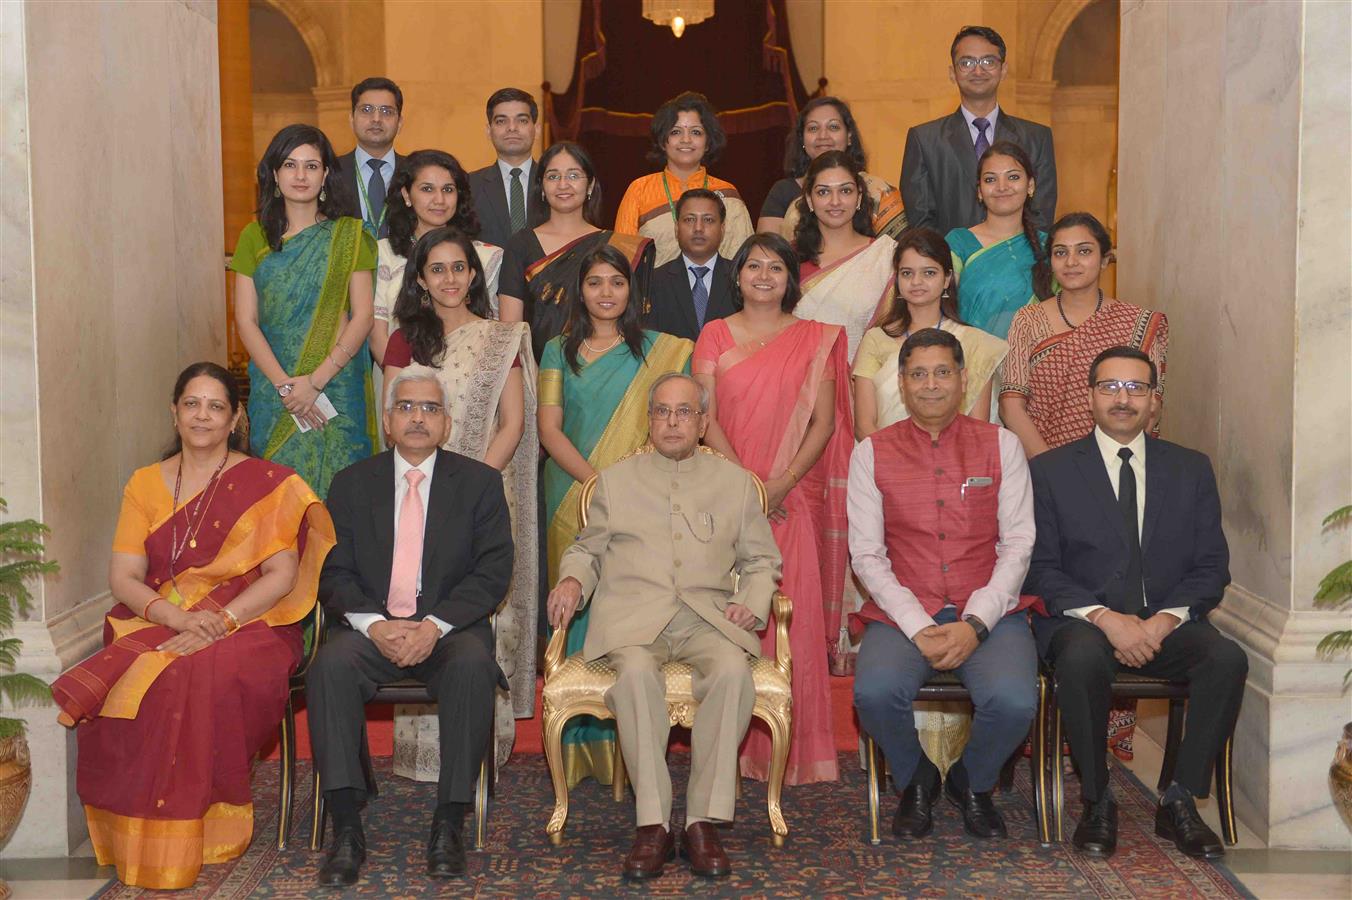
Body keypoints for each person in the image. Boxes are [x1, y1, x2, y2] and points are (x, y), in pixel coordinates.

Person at [52, 363, 334, 890]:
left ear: (235, 419)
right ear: (174, 412)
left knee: (194, 671)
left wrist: (220, 621)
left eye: (216, 406)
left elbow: (281, 575)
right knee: (145, 673)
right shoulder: (144, 483)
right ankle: (137, 836)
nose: (202, 416)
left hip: (252, 621)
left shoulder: (269, 484)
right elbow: (125, 576)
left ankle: (205, 828)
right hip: (160, 615)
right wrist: (178, 617)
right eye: (191, 404)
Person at [547, 373, 782, 880]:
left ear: (702, 423)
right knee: (633, 677)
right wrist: (571, 581)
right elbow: (588, 550)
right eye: (661, 412)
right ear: (649, 420)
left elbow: (763, 561)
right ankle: (652, 823)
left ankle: (702, 821)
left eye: (683, 413)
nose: (672, 422)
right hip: (635, 616)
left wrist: (752, 601)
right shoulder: (615, 479)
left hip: (708, 618)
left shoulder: (737, 484)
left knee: (731, 672)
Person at [1025, 347, 1246, 861]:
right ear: (1089, 397)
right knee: (1079, 659)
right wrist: (1106, 619)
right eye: (1110, 387)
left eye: (1136, 389)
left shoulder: (1191, 468)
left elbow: (1212, 565)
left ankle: (1179, 798)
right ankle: (1097, 798)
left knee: (1226, 659)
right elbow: (1039, 567)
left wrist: (1164, 621)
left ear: (1154, 401)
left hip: (1164, 622)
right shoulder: (1051, 470)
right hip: (1082, 622)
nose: (1123, 400)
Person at [307, 367, 513, 885]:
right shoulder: (352, 483)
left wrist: (434, 626)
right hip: (372, 628)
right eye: (406, 407)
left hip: (448, 631)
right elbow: (332, 571)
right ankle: (347, 827)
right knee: (329, 666)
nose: (417, 418)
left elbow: (492, 572)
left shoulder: (480, 484)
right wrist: (375, 625)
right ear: (387, 420)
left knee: (472, 665)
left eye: (430, 409)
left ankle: (449, 821)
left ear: (446, 424)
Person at [849, 329, 1038, 840]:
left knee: (1015, 700)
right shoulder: (871, 453)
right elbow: (866, 555)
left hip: (989, 610)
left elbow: (1018, 543)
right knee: (874, 692)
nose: (930, 385)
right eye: (917, 374)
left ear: (963, 380)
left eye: (941, 372)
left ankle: (971, 782)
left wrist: (976, 623)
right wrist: (915, 625)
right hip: (904, 608)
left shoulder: (1002, 445)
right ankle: (916, 778)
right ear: (903, 385)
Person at [1001, 212, 1169, 764]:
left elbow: (1151, 403)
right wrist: (1057, 470)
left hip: (1122, 475)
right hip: (1046, 472)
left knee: (1118, 583)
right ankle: (1046, 716)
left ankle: (1108, 726)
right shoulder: (1028, 322)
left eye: (1084, 251)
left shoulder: (1141, 323)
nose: (1071, 262)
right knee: (1052, 586)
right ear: (1048, 262)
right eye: (1061, 252)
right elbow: (1012, 399)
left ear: (1104, 257)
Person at [694, 233, 853, 783]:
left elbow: (824, 422)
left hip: (791, 499)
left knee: (791, 620)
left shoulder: (816, 339)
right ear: (736, 276)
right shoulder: (714, 333)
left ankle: (789, 752)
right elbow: (703, 416)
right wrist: (749, 489)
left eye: (776, 268)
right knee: (727, 620)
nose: (764, 276)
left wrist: (781, 484)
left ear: (792, 280)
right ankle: (727, 752)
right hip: (726, 498)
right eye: (753, 266)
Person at [538, 244, 695, 786]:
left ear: (633, 291)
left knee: (630, 610)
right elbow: (549, 428)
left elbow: (677, 425)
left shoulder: (664, 350)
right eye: (595, 283)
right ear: (579, 291)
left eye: (617, 282)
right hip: (572, 496)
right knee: (577, 608)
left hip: (643, 498)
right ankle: (582, 756)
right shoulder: (558, 350)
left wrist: (625, 488)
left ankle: (633, 754)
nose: (606, 293)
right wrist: (596, 483)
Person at [382, 227, 536, 769]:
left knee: (482, 609)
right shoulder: (406, 341)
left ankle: (479, 750)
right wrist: (437, 494)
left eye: (459, 268)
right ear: (420, 280)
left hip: (485, 495)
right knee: (422, 601)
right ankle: (426, 755)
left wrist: (467, 490)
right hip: (417, 497)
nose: (450, 279)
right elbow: (396, 422)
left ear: (474, 275)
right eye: (437, 269)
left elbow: (512, 424)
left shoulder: (503, 338)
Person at [230, 124, 378, 498]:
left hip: (335, 389)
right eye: (290, 164)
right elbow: (245, 321)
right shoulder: (253, 237)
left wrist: (315, 382)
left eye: (311, 166)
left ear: (326, 174)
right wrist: (285, 386)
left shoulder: (349, 237)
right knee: (278, 499)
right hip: (274, 391)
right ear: (274, 174)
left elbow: (362, 316)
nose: (300, 175)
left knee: (342, 498)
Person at [499, 141, 656, 361]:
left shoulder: (613, 246)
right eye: (553, 176)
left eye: (573, 176)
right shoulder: (520, 245)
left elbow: (631, 323)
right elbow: (510, 331)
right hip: (537, 373)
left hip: (603, 369)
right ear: (541, 187)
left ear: (590, 185)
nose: (563, 184)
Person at [900, 25, 1056, 237]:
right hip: (950, 264)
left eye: (988, 61)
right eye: (967, 63)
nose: (978, 70)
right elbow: (921, 220)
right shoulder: (924, 140)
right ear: (952, 73)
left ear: (1003, 70)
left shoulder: (1037, 138)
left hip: (1019, 265)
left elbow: (1041, 217)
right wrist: (953, 261)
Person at [853, 227, 1008, 437]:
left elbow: (976, 430)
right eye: (907, 273)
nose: (916, 282)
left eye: (929, 273)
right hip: (889, 462)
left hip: (954, 464)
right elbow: (864, 426)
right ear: (897, 279)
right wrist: (898, 464)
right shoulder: (876, 339)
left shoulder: (975, 343)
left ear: (946, 279)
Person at [370, 149, 504, 367]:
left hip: (468, 381)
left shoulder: (487, 257)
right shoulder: (382, 254)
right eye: (427, 189)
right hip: (399, 381)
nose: (439, 200)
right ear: (406, 195)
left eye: (448, 189)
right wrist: (413, 387)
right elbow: (377, 336)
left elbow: (491, 334)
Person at [614, 91, 754, 266]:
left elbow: (745, 260)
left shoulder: (728, 194)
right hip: (655, 292)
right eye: (675, 132)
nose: (686, 139)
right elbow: (622, 261)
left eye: (696, 132)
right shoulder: (639, 190)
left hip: (721, 292)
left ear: (708, 142)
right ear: (662, 141)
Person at [792, 150, 898, 360]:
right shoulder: (788, 258)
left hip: (865, 382)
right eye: (823, 192)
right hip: (800, 383)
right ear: (809, 200)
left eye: (845, 191)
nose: (835, 201)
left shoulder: (885, 256)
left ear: (859, 197)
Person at [758, 96, 907, 240]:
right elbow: (768, 255)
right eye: (813, 128)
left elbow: (902, 252)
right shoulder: (783, 192)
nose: (823, 135)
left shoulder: (876, 190)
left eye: (833, 127)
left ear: (849, 136)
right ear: (802, 138)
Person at [945, 141, 1046, 338]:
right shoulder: (958, 243)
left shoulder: (1049, 246)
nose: (1002, 187)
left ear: (1030, 186)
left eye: (1013, 177)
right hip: (972, 359)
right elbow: (941, 308)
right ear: (979, 191)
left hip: (1038, 361)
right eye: (990, 180)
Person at [644, 188, 737, 342]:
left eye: (708, 220)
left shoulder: (740, 278)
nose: (698, 228)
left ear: (722, 229)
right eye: (689, 219)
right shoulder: (653, 282)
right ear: (676, 228)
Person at [468, 87, 545, 248]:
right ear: (489, 131)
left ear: (536, 130)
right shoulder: (469, 185)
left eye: (522, 120)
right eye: (501, 121)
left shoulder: (553, 183)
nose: (512, 128)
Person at [334, 77, 405, 238]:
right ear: (351, 119)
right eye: (366, 110)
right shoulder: (331, 171)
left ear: (399, 123)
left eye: (387, 111)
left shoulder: (416, 173)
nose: (376, 119)